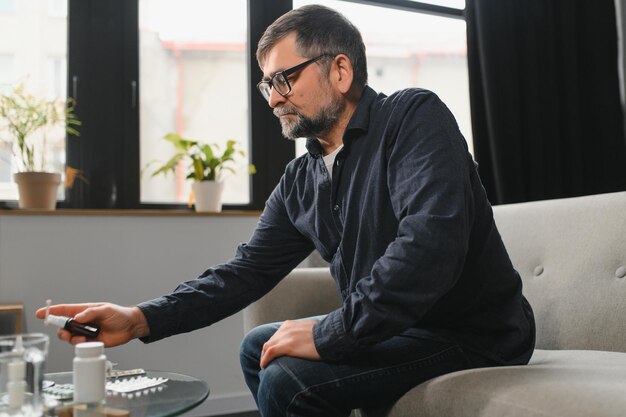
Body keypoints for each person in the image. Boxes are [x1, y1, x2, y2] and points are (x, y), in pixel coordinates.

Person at [37, 5, 535, 416]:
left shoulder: (413, 118)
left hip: (473, 336)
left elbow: (430, 246)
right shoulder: (303, 178)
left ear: (340, 70)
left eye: (284, 79)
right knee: (258, 345)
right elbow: (244, 272)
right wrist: (142, 318)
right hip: (399, 330)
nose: (274, 98)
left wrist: (330, 331)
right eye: (266, 85)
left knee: (287, 381)